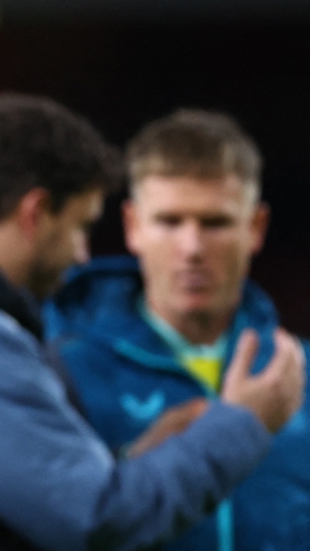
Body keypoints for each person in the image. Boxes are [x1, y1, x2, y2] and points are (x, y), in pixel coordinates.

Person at [0, 95, 304, 551]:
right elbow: (96, 518)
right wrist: (243, 426)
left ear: (254, 227)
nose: (83, 254)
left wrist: (128, 461)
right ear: (36, 214)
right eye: (81, 226)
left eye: (215, 222)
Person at [46, 109, 309, 551]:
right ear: (133, 227)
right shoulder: (64, 372)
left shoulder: (299, 372)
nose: (191, 248)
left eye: (215, 223)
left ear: (255, 228)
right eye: (170, 221)